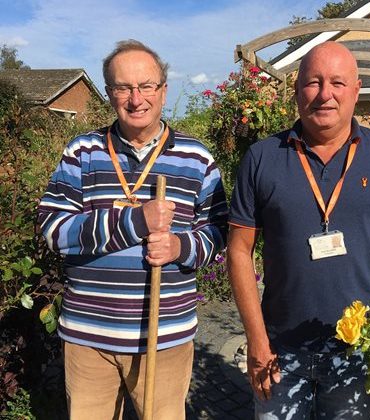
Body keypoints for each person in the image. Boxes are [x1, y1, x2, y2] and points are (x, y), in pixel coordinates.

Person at [227, 41, 370, 419]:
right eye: (313, 82)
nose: (325, 94)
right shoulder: (263, 158)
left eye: (337, 83)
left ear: (356, 90)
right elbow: (239, 250)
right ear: (296, 90)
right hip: (279, 350)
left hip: (359, 349)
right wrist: (256, 339)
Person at [38, 39, 228, 420]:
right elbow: (54, 230)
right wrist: (134, 221)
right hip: (89, 339)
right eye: (123, 87)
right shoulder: (83, 152)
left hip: (165, 339)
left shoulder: (197, 159)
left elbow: (218, 231)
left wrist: (178, 247)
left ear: (163, 90)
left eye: (146, 86)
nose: (135, 98)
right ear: (109, 93)